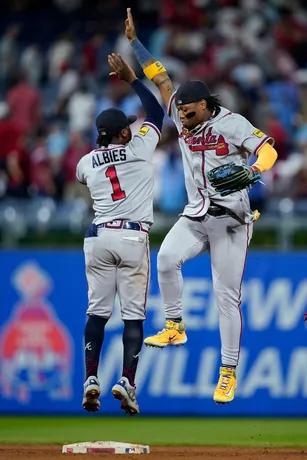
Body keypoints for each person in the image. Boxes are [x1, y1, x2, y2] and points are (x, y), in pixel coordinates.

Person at [125, 8, 278, 404]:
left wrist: (253, 171)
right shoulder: (181, 107)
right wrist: (135, 43)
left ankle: (228, 372)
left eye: (190, 114)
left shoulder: (231, 123)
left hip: (231, 220)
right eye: (180, 113)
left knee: (226, 297)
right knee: (164, 260)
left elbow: (268, 150)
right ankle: (175, 325)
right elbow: (160, 76)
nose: (183, 120)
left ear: (207, 106)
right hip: (196, 215)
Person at [77, 53, 164, 415]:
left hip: (97, 238)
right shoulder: (140, 148)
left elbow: (88, 174)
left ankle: (91, 378)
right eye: (128, 126)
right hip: (131, 237)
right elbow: (157, 113)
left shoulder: (85, 161)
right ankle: (127, 381)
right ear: (124, 133)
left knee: (97, 314)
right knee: (133, 317)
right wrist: (132, 80)